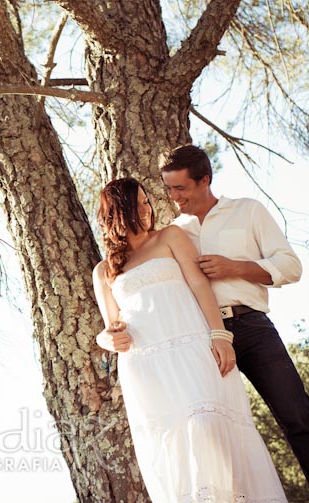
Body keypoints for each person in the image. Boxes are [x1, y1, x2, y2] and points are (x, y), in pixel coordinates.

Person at [150, 143, 309, 503]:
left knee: (300, 420)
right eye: (168, 188)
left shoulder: (247, 211)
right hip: (203, 338)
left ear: (205, 181)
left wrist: (236, 267)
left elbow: (291, 266)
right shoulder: (174, 232)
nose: (173, 197)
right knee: (215, 432)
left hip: (252, 329)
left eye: (180, 188)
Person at [92, 177, 288, 503]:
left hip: (192, 347)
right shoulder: (104, 271)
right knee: (174, 446)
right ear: (117, 212)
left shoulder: (170, 236)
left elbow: (200, 285)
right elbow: (110, 326)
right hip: (146, 366)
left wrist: (220, 336)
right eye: (137, 203)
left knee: (208, 424)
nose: (146, 209)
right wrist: (106, 340)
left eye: (146, 201)